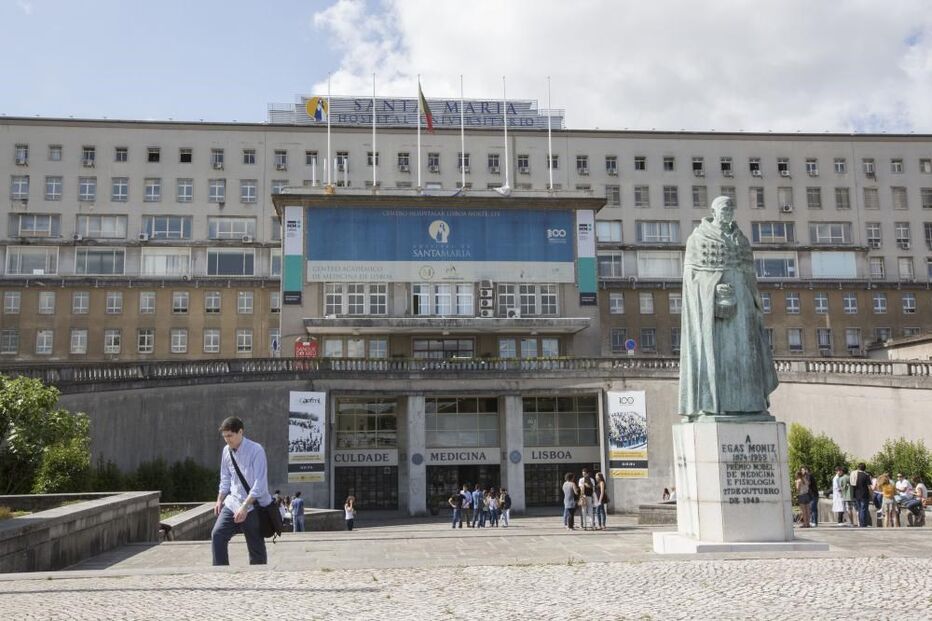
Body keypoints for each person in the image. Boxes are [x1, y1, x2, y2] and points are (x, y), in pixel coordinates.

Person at [678, 195, 779, 421]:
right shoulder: (698, 239)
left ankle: (751, 404)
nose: (728, 212)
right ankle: (714, 404)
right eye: (724, 209)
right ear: (714, 212)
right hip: (713, 307)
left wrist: (753, 302)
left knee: (747, 351)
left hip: (743, 301)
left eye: (731, 208)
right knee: (717, 353)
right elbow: (691, 277)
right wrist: (713, 290)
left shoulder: (741, 239)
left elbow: (750, 274)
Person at [211, 416, 271, 566]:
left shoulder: (256, 450)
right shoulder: (226, 451)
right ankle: (221, 573)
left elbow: (260, 483)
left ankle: (258, 576)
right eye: (225, 436)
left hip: (253, 504)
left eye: (230, 435)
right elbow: (225, 478)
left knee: (255, 545)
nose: (227, 440)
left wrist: (245, 506)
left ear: (240, 432)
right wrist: (219, 499)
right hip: (233, 502)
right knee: (217, 534)